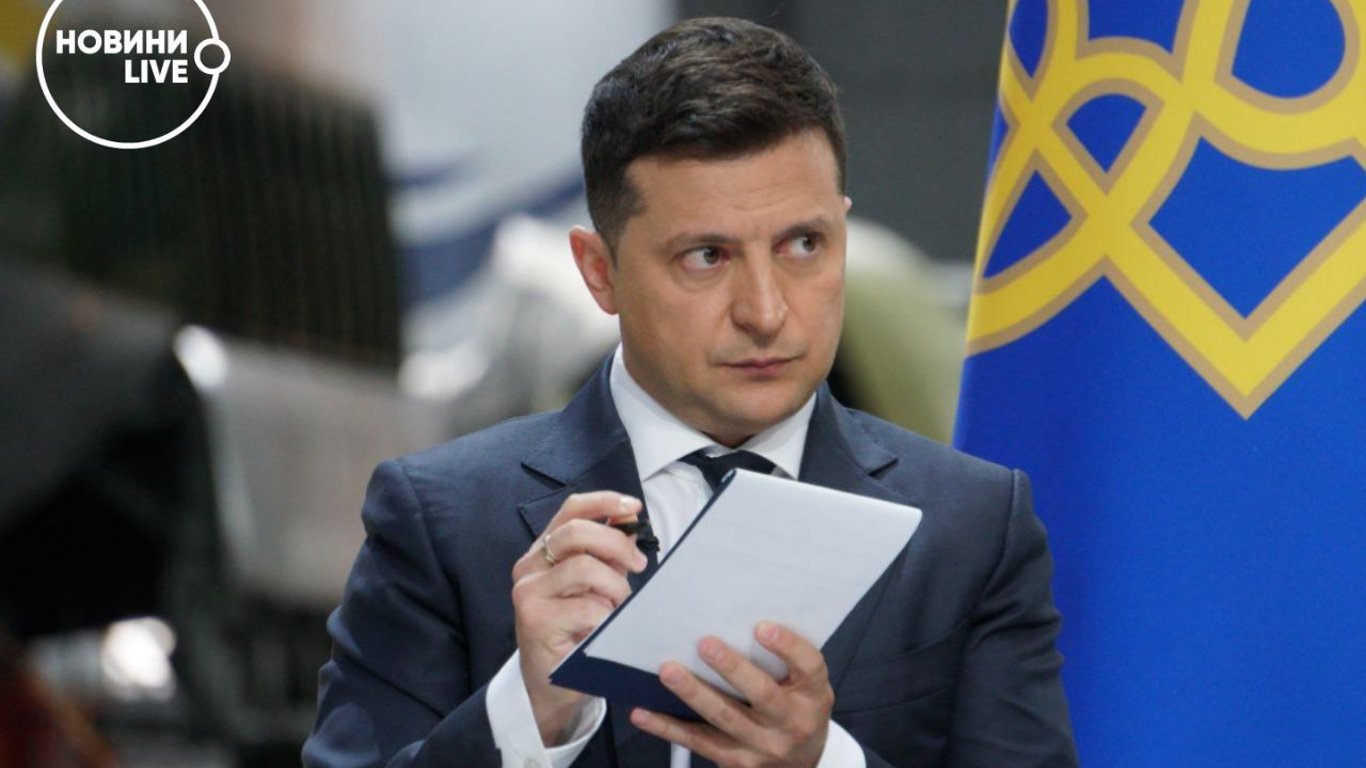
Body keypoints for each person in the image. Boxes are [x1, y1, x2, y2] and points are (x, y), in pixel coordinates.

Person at [304, 17, 1077, 768]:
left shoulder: (973, 528)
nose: (766, 312)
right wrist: (526, 715)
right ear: (600, 271)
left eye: (804, 244)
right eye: (707, 256)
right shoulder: (441, 521)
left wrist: (824, 764)